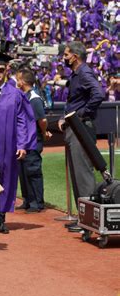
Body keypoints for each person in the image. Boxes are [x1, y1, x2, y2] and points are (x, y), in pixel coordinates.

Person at [0, 52, 36, 234]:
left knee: (6, 181)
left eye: (0, 70)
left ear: (6, 70)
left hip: (9, 148)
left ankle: (1, 219)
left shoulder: (16, 94)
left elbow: (22, 121)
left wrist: (22, 145)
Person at [58, 41, 105, 232]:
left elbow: (99, 94)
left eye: (66, 55)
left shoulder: (84, 72)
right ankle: (83, 219)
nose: (64, 58)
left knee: (83, 174)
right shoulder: (76, 74)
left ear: (75, 57)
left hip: (81, 129)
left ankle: (89, 221)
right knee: (77, 174)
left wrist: (80, 115)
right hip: (75, 128)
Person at [16, 68, 51, 213]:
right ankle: (28, 200)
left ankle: (37, 202)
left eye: (18, 79)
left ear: (23, 81)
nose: (16, 81)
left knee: (33, 171)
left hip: (34, 140)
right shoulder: (24, 95)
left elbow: (42, 120)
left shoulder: (34, 98)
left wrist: (43, 132)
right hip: (24, 141)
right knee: (23, 172)